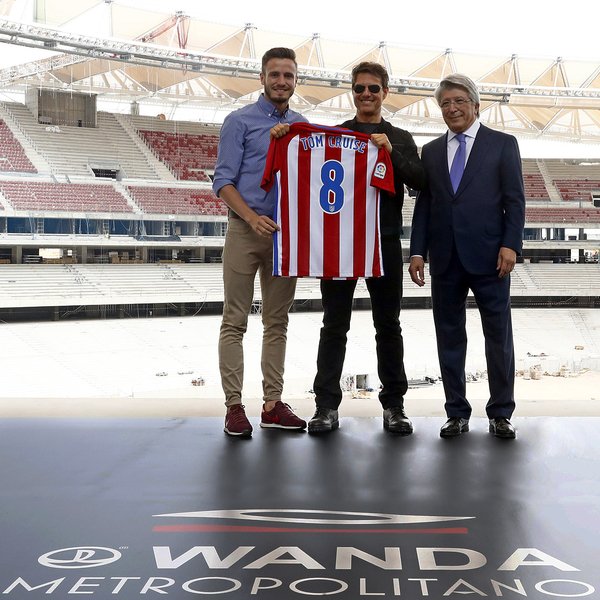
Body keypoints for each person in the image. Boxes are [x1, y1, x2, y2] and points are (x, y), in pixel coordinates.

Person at [307, 61, 426, 434]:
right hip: (341, 241)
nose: (366, 94)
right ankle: (326, 406)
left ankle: (394, 406)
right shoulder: (335, 135)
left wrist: (392, 152)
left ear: (385, 92)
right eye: (359, 88)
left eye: (374, 88)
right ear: (352, 92)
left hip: (384, 240)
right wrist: (283, 135)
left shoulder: (400, 137)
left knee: (388, 325)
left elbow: (420, 181)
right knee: (334, 324)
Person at [408, 74, 525, 439]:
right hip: (444, 258)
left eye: (459, 101)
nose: (452, 108)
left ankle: (501, 413)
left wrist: (511, 244)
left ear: (476, 105)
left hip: (491, 257)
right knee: (449, 337)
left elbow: (515, 200)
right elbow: (425, 205)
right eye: (445, 103)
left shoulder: (503, 144)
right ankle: (456, 412)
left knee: (498, 338)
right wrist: (417, 251)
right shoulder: (430, 151)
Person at [212, 47, 308, 437]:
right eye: (275, 74)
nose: (281, 81)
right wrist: (252, 218)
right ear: (262, 78)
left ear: (295, 80)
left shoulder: (302, 125)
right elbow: (222, 181)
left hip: (285, 236)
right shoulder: (239, 121)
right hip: (244, 230)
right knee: (234, 320)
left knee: (277, 322)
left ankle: (272, 404)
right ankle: (234, 407)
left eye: (288, 75)